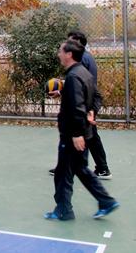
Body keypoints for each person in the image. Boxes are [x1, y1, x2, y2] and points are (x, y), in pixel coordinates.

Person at [44, 40, 119, 221]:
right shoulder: (84, 73)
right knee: (78, 169)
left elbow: (77, 107)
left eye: (61, 51)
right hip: (84, 132)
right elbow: (95, 96)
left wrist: (77, 134)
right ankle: (104, 202)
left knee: (63, 173)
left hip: (73, 135)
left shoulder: (73, 77)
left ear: (69, 54)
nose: (59, 54)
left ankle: (65, 210)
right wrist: (91, 110)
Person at [49, 31, 112, 179]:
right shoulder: (86, 57)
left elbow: (78, 84)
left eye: (70, 42)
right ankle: (100, 168)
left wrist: (62, 90)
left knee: (81, 135)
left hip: (84, 104)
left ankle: (98, 168)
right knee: (88, 136)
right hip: (87, 102)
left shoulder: (82, 60)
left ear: (77, 44)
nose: (67, 45)